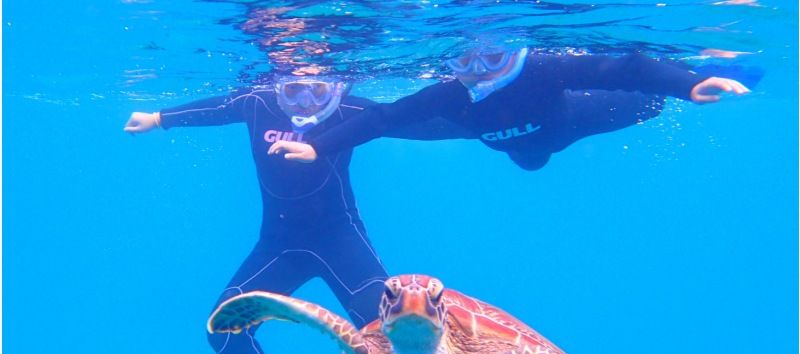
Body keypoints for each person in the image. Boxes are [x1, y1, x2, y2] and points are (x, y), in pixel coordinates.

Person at [124, 77, 467, 354]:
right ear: (276, 87)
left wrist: (482, 121)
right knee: (224, 331)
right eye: (292, 91)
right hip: (279, 247)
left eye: (318, 91)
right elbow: (221, 108)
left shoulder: (352, 111)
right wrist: (160, 119)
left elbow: (413, 122)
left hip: (341, 243)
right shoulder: (256, 104)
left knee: (394, 338)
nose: (305, 101)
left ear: (337, 86)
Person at [266, 48, 752, 170]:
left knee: (651, 105)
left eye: (494, 56)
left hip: (569, 123)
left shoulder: (543, 69)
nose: (481, 70)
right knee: (399, 124)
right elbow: (381, 119)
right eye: (466, 60)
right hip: (475, 131)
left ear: (515, 52)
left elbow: (626, 66)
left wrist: (689, 83)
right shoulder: (449, 96)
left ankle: (728, 66)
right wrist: (319, 148)